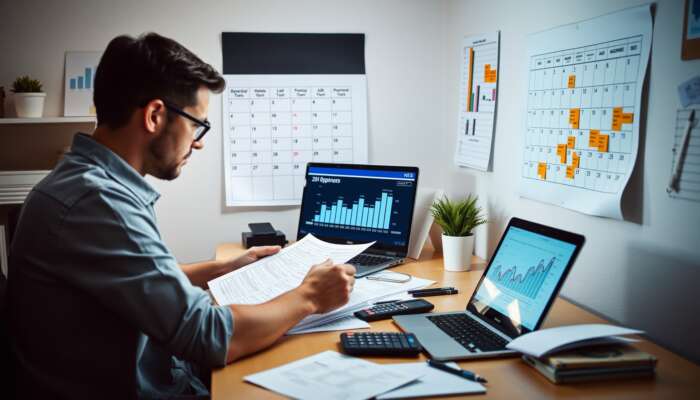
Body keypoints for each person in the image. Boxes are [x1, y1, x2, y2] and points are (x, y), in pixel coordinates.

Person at [8, 32, 356, 399]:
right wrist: (310, 296)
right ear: (155, 115)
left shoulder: (86, 181)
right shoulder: (99, 201)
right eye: (196, 124)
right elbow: (208, 336)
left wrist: (224, 268)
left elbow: (139, 279)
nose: (199, 141)